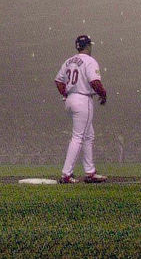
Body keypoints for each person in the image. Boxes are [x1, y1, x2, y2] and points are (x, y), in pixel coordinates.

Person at [54, 34, 108, 183]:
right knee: (78, 137)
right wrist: (103, 94)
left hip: (71, 98)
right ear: (88, 46)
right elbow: (95, 81)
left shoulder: (68, 61)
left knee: (88, 135)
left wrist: (66, 94)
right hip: (83, 99)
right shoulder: (89, 61)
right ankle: (66, 174)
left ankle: (90, 172)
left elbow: (58, 81)